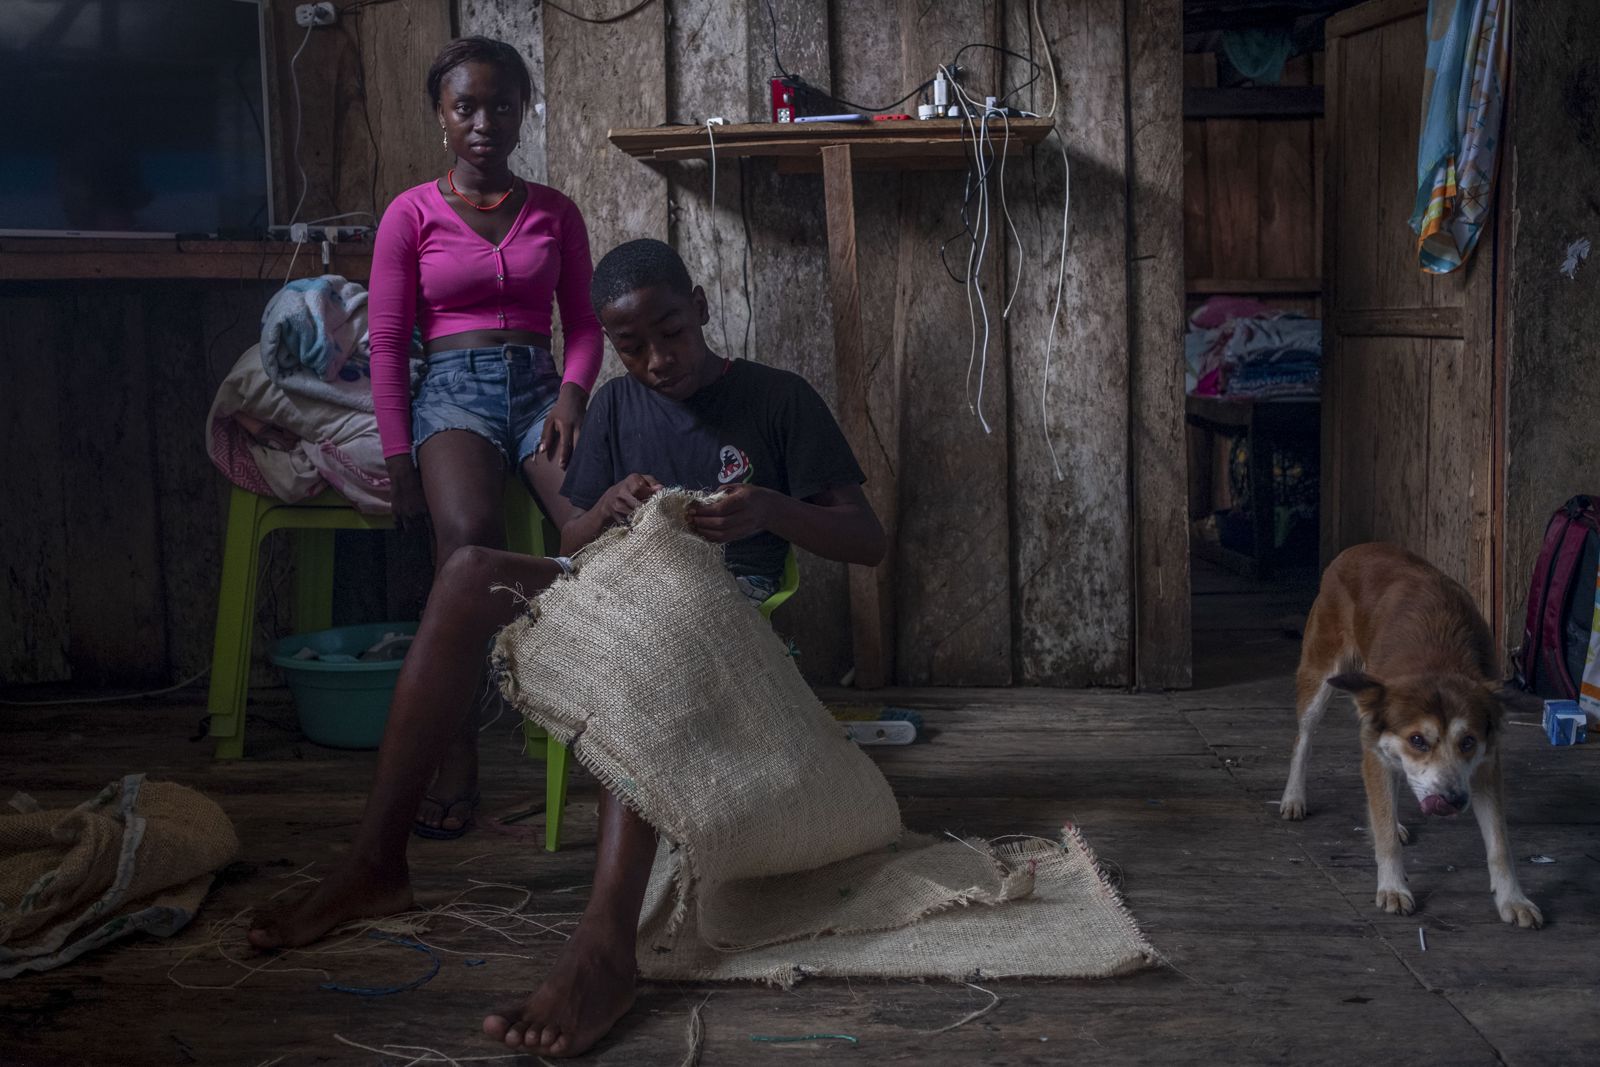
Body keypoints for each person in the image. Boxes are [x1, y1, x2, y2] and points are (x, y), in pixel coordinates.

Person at [249, 239, 887, 1059]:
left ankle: (604, 946)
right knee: (468, 571)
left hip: (721, 603)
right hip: (606, 580)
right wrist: (609, 507)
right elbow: (573, 538)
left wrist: (769, 508)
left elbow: (865, 540)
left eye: (673, 333)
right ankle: (375, 860)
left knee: (647, 624)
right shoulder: (616, 408)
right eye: (632, 345)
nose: (658, 359)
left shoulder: (777, 399)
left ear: (700, 305)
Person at [366, 37, 605, 838]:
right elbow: (392, 343)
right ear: (441, 114)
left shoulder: (555, 211)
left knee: (596, 531)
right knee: (467, 540)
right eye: (465, 105)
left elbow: (584, 325)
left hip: (540, 389)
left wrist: (572, 396)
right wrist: (400, 455)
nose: (483, 121)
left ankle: (604, 734)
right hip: (454, 393)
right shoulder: (411, 214)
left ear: (521, 111)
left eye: (501, 104)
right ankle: (454, 749)